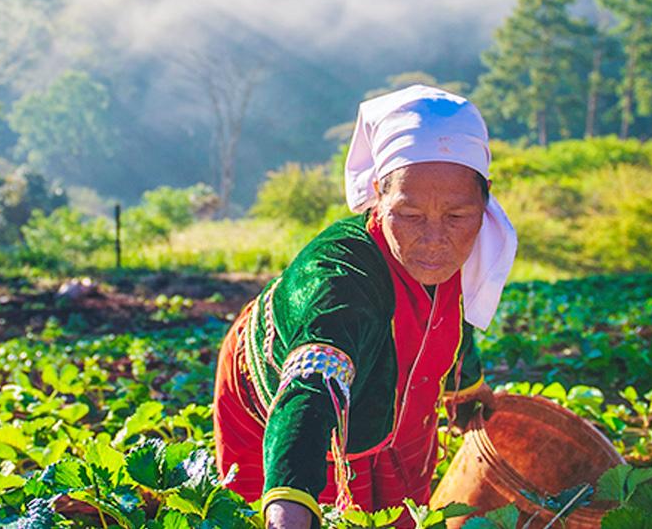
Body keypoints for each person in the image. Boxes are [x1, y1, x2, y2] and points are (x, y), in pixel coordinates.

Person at [213, 85, 519, 529]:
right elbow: (311, 388)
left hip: (384, 387)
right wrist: (287, 508)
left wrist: (468, 391)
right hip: (280, 396)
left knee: (396, 493)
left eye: (456, 216)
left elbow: (451, 321)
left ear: (485, 198)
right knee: (319, 499)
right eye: (410, 215)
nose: (435, 240)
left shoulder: (466, 248)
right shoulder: (340, 278)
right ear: (379, 194)